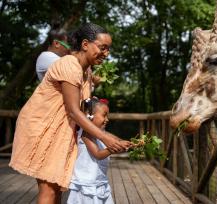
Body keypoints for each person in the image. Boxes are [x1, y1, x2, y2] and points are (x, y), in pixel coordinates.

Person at [9, 23, 132, 204]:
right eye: (102, 47)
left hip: (63, 131)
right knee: (49, 191)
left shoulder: (86, 72)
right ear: (85, 44)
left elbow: (84, 110)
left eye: (108, 49)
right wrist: (105, 139)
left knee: (57, 189)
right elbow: (74, 111)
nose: (106, 54)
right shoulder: (69, 65)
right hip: (42, 128)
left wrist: (115, 139)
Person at [67, 97, 114, 204]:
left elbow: (114, 139)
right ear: (89, 115)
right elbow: (98, 154)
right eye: (104, 115)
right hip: (87, 184)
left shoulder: (101, 133)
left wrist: (126, 143)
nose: (107, 119)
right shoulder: (86, 134)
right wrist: (113, 149)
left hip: (98, 181)